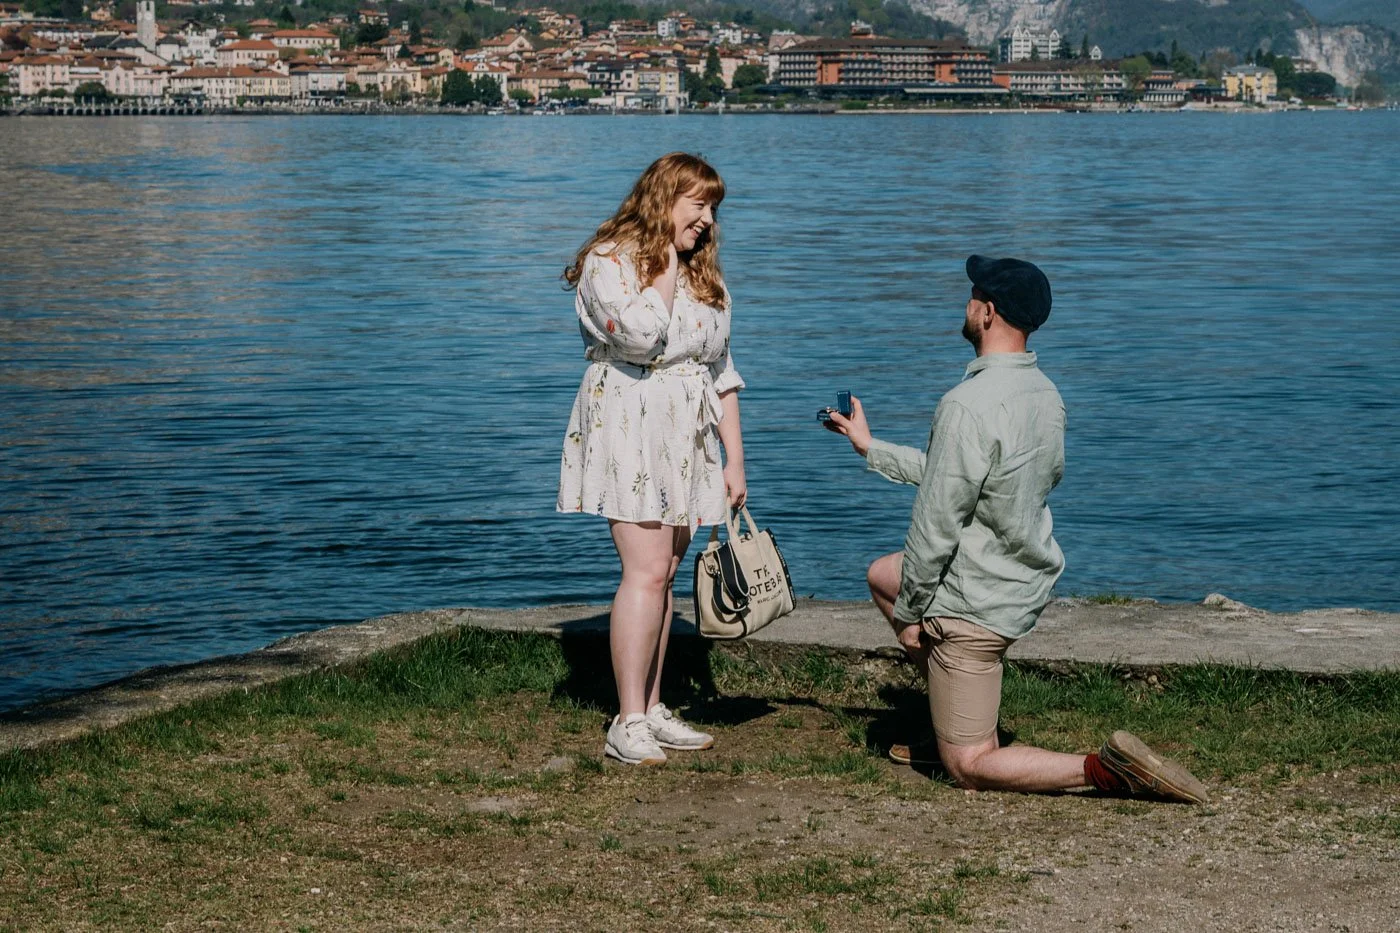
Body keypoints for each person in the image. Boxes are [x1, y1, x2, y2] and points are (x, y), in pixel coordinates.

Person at [823, 256, 1208, 803]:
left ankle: (1108, 769)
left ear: (988, 312)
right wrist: (869, 447)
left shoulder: (965, 406)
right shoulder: (1045, 395)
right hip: (1019, 579)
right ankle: (951, 712)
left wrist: (912, 615)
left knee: (969, 765)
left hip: (974, 604)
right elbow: (962, 477)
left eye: (972, 295)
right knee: (882, 574)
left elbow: (936, 525)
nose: (966, 304)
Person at [558, 153, 745, 766]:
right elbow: (640, 336)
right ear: (665, 197)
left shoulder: (702, 273)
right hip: (632, 421)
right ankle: (628, 719)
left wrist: (734, 458)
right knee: (644, 570)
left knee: (665, 571)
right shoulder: (608, 262)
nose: (708, 220)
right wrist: (664, 260)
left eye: (713, 208)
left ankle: (654, 707)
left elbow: (720, 370)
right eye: (698, 205)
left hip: (686, 431)